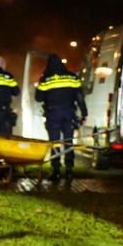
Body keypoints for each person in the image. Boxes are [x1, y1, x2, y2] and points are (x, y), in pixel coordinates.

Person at [35, 53, 87, 181]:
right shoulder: (72, 77)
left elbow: (38, 98)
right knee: (68, 142)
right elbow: (80, 97)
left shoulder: (46, 78)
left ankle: (56, 171)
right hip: (69, 113)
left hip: (53, 114)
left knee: (55, 143)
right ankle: (69, 170)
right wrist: (84, 113)